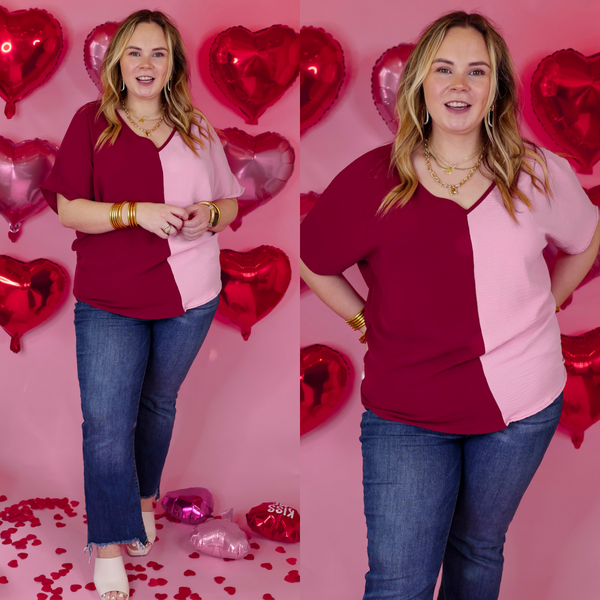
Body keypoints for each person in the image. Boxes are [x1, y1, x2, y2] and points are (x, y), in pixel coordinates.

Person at [301, 11, 600, 600]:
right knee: (399, 583)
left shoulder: (538, 174)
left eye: (477, 71)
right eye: (444, 69)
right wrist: (361, 317)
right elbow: (314, 255)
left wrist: (551, 301)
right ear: (419, 83)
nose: (459, 85)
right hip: (406, 411)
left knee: (477, 551)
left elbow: (587, 235)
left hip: (520, 404)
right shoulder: (372, 179)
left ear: (497, 90)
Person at [41, 10, 243, 600]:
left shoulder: (198, 127)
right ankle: (108, 542)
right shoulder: (92, 122)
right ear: (117, 64)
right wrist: (137, 213)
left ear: (173, 64)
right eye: (135, 53)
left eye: (158, 53)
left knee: (157, 404)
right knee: (107, 424)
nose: (146, 64)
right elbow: (69, 209)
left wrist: (209, 215)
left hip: (191, 293)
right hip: (110, 296)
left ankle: (144, 501)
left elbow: (228, 205)